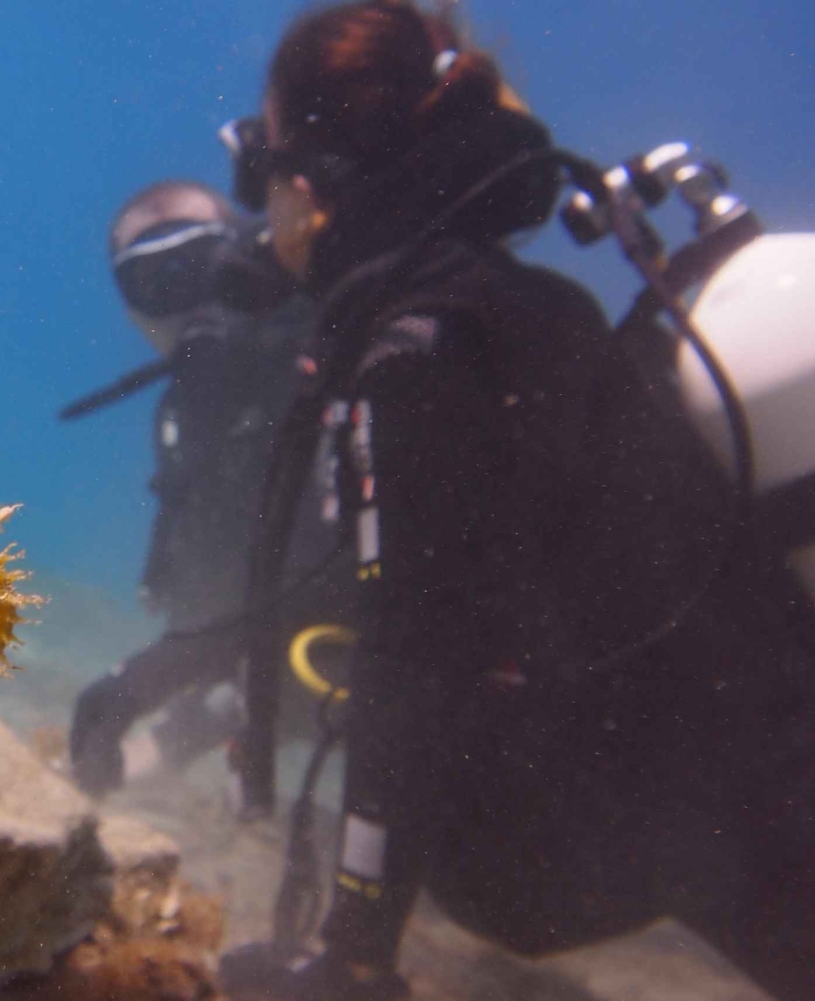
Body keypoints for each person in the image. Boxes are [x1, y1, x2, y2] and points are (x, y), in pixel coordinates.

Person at [216, 2, 815, 999]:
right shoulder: (531, 308)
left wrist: (352, 954)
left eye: (266, 166)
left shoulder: (417, 348)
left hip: (695, 809)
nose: (263, 207)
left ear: (318, 182)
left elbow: (413, 658)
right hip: (750, 781)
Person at [67, 180, 346, 797]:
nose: (188, 305)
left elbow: (376, 609)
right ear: (134, 311)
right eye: (154, 283)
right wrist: (178, 724)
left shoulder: (348, 362)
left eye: (203, 267)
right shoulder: (189, 425)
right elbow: (243, 631)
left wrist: (158, 676)